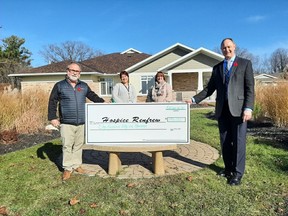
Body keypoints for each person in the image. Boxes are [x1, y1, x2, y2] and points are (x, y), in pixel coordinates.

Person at [186, 38, 255, 186]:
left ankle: (237, 173)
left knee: (238, 142)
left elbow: (250, 88)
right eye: (224, 48)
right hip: (222, 110)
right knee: (225, 142)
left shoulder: (244, 64)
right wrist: (193, 99)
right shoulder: (217, 68)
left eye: (229, 47)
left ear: (234, 46)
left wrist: (248, 108)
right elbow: (209, 89)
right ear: (221, 49)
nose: (227, 50)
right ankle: (228, 168)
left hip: (239, 111)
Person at [48, 62, 105, 181]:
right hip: (66, 122)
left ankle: (76, 164)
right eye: (72, 70)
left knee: (78, 145)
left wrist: (103, 103)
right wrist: (53, 117)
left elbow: (92, 96)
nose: (74, 72)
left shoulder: (83, 86)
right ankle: (68, 168)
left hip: (82, 122)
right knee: (67, 145)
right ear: (67, 71)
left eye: (77, 71)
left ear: (80, 73)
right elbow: (52, 102)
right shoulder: (59, 85)